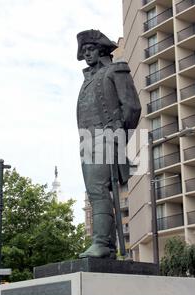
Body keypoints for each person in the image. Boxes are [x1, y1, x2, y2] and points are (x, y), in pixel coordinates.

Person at [76, 29, 141, 259]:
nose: (87, 55)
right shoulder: (87, 81)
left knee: (98, 190)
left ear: (101, 49)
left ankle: (102, 242)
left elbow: (132, 107)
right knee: (95, 194)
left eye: (90, 49)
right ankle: (108, 245)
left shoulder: (116, 70)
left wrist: (119, 135)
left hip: (106, 138)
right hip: (87, 142)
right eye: (84, 51)